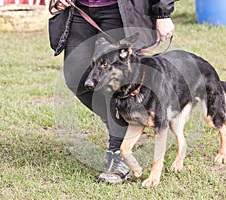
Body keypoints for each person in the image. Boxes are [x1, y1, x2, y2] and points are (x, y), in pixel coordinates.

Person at [50, 0, 176, 184]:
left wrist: (163, 13)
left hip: (122, 8)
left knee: (115, 80)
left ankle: (118, 153)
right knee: (76, 76)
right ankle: (124, 124)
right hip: (80, 7)